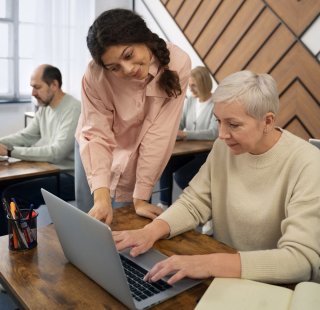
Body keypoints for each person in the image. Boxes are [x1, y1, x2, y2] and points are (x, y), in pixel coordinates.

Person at [112, 70, 320, 285]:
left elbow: (300, 260)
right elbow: (195, 202)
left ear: (267, 121)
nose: (221, 134)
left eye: (233, 124)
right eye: (218, 121)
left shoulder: (308, 163)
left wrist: (208, 263)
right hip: (227, 270)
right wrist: (149, 232)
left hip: (274, 285)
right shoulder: (224, 147)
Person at [75, 9, 191, 224]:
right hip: (94, 149)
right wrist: (101, 198)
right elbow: (96, 134)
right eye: (114, 67)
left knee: (126, 227)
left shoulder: (178, 64)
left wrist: (141, 196)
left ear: (144, 38)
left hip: (139, 155)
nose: (127, 69)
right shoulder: (95, 76)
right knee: (90, 219)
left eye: (128, 55)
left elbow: (160, 133)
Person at [0, 64, 80, 235]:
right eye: (32, 87)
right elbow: (26, 136)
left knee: (13, 195)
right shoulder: (45, 108)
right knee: (2, 187)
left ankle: (22, 248)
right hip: (51, 171)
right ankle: (5, 245)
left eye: (37, 87)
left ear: (54, 85)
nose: (33, 93)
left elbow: (57, 152)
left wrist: (9, 152)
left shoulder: (74, 109)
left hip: (71, 177)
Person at [159, 66, 218, 207]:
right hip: (189, 150)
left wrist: (185, 134)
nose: (190, 89)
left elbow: (214, 133)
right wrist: (173, 130)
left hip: (207, 152)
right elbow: (180, 124)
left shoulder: (217, 103)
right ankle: (164, 204)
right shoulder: (190, 101)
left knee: (181, 176)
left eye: (194, 86)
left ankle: (206, 206)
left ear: (204, 84)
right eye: (189, 85)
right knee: (164, 164)